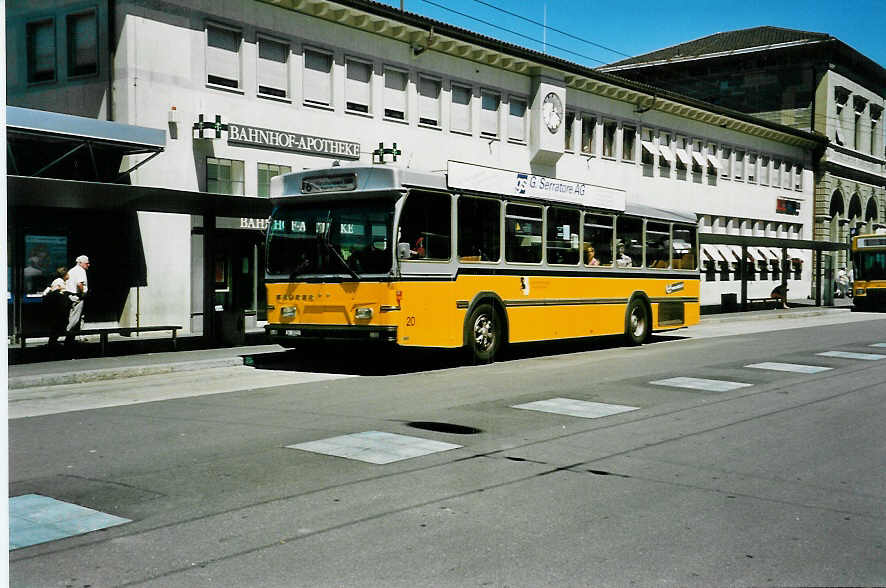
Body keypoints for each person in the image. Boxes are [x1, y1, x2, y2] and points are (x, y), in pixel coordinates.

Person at [64, 255, 90, 345]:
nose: (88, 265)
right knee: (75, 318)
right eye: (86, 263)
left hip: (71, 296)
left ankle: (77, 337)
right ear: (80, 263)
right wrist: (82, 293)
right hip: (77, 296)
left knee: (78, 317)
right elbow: (79, 284)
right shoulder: (81, 270)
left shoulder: (72, 270)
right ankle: (68, 338)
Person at [43, 267, 70, 347]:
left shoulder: (60, 281)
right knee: (58, 324)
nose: (69, 275)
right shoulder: (59, 281)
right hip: (57, 307)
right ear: (64, 274)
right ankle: (52, 342)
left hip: (58, 306)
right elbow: (57, 292)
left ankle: (53, 341)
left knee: (58, 324)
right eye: (68, 273)